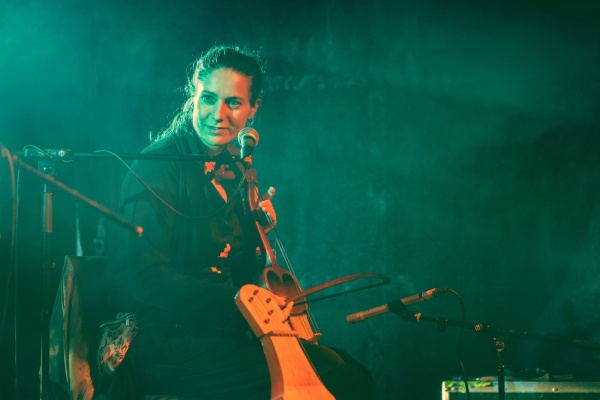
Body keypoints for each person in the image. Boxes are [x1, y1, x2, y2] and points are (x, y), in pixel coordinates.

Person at [106, 44, 375, 400]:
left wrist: (256, 229)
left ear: (253, 108)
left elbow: (237, 265)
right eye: (208, 98)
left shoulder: (235, 168)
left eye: (233, 102)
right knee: (332, 374)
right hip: (171, 343)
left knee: (352, 370)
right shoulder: (157, 166)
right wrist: (244, 301)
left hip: (225, 333)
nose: (218, 114)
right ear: (193, 95)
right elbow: (145, 279)